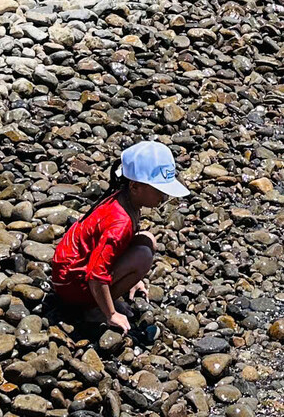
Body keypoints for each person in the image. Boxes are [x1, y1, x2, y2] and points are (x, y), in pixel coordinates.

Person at [48, 141, 189, 334]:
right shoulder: (120, 222)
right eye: (159, 190)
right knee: (143, 256)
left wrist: (131, 278)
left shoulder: (124, 198)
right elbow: (96, 275)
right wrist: (111, 313)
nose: (164, 197)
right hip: (71, 284)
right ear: (135, 186)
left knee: (147, 239)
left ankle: (104, 297)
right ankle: (94, 309)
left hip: (74, 271)